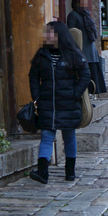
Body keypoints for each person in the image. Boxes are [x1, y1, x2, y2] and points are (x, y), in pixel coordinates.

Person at [28, 20, 90, 184]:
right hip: (47, 103)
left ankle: (70, 171)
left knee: (69, 135)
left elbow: (86, 75)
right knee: (47, 135)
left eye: (51, 33)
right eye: (46, 33)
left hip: (68, 102)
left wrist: (75, 93)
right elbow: (33, 76)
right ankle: (43, 172)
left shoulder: (73, 53)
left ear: (60, 35)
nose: (47, 36)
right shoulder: (42, 55)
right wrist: (37, 96)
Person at [65, 0, 106, 94]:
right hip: (82, 50)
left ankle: (92, 96)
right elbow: (71, 32)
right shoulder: (73, 15)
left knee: (93, 75)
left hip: (91, 50)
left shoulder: (87, 14)